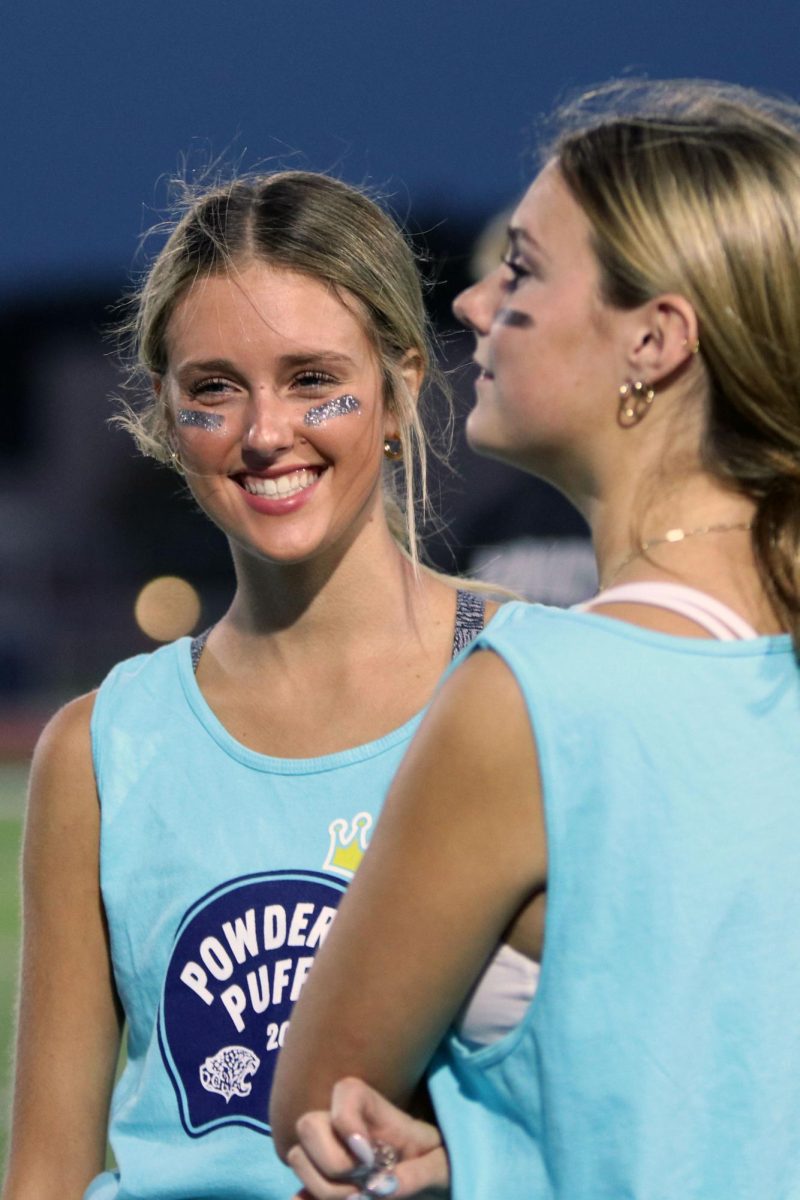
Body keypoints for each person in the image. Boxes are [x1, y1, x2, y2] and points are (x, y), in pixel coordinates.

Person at [271, 79, 800, 1200]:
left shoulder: (537, 696)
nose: (467, 305)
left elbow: (323, 1111)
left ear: (653, 340)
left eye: (518, 269)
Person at [2, 171, 499, 1199]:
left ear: (402, 385)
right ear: (166, 414)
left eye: (314, 377)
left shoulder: (538, 677)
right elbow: (44, 1174)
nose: (265, 430)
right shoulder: (101, 748)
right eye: (215, 388)